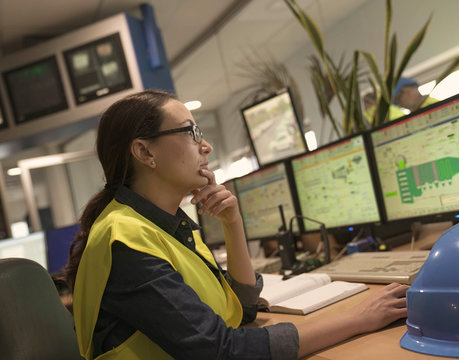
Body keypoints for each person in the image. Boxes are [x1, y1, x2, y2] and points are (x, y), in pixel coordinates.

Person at [64, 89, 409, 359]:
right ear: (144, 152)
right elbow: (221, 351)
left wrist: (233, 223)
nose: (206, 145)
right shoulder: (125, 242)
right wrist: (358, 318)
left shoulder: (165, 226)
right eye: (191, 132)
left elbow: (240, 310)